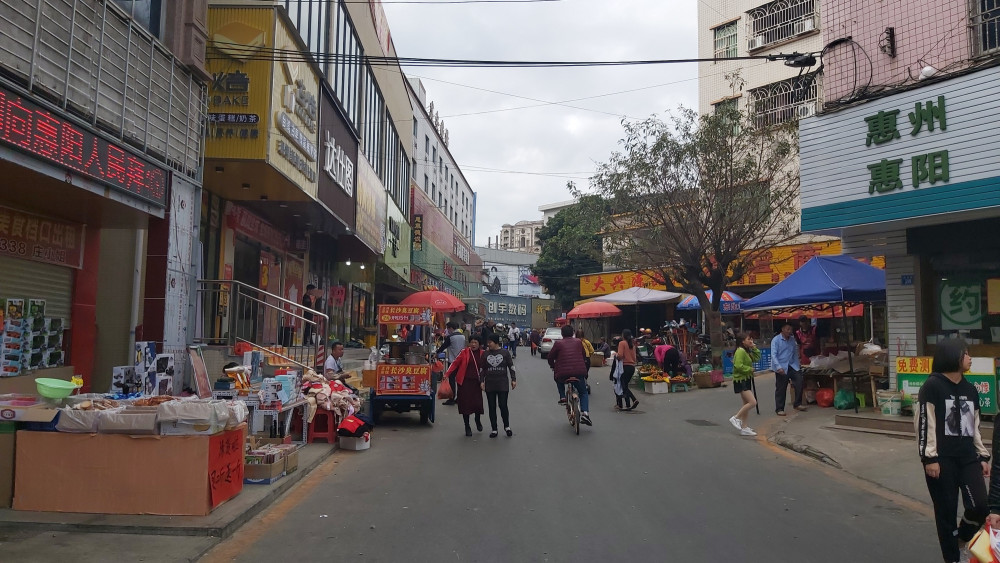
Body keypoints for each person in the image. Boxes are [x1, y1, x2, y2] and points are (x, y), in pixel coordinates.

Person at [918, 339, 990, 563]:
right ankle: (952, 558)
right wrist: (930, 457)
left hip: (968, 457)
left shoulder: (970, 389)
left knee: (979, 506)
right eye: (966, 354)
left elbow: (974, 426)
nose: (970, 358)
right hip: (941, 460)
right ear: (953, 356)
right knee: (946, 513)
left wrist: (982, 455)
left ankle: (962, 537)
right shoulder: (932, 386)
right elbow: (925, 424)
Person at [547, 324, 592, 426]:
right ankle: (585, 413)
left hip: (563, 373)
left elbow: (550, 357)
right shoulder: (578, 342)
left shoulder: (558, 344)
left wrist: (553, 366)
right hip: (579, 372)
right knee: (583, 392)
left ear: (562, 334)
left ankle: (562, 396)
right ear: (573, 333)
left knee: (558, 379)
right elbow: (584, 355)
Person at [444, 335, 485, 436]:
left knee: (477, 403)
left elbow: (486, 367)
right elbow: (454, 363)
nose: (473, 344)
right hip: (464, 382)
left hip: (476, 383)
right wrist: (446, 374)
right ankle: (467, 426)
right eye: (472, 342)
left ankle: (477, 420)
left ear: (479, 344)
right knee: (465, 405)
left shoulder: (483, 354)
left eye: (476, 342)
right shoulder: (464, 352)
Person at [480, 334, 517, 437]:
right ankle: (494, 429)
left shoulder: (505, 353)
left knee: (503, 405)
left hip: (502, 383)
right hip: (490, 384)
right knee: (491, 407)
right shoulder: (485, 354)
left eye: (490, 342)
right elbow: (482, 369)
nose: (488, 344)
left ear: (496, 342)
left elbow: (511, 366)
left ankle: (507, 426)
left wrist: (513, 379)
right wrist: (481, 381)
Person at [728, 332, 761, 437]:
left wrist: (754, 347)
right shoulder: (740, 351)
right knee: (752, 402)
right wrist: (749, 369)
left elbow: (756, 358)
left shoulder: (746, 351)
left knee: (746, 404)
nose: (750, 341)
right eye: (748, 339)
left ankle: (744, 427)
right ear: (743, 341)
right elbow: (738, 366)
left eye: (751, 339)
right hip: (741, 380)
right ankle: (736, 418)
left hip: (746, 379)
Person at [771, 320, 805, 416]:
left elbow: (795, 353)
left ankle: (797, 403)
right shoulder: (776, 340)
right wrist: (778, 367)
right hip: (781, 366)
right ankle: (779, 408)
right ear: (782, 329)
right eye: (788, 329)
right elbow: (774, 355)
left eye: (791, 329)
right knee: (781, 388)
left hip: (792, 365)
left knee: (800, 381)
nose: (789, 331)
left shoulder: (792, 340)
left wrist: (797, 365)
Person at [436, 322, 466, 406]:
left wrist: (437, 352)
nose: (447, 331)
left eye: (448, 329)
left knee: (452, 380)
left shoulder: (451, 337)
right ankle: (459, 398)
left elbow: (443, 347)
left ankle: (451, 398)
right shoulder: (462, 336)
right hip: (461, 361)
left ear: (451, 328)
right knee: (460, 380)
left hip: (453, 362)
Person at [616, 329, 639, 411]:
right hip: (632, 367)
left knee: (623, 386)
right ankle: (628, 404)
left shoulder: (622, 343)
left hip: (625, 367)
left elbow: (620, 355)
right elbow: (634, 358)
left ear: (623, 335)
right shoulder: (632, 344)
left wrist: (616, 355)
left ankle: (634, 399)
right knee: (625, 385)